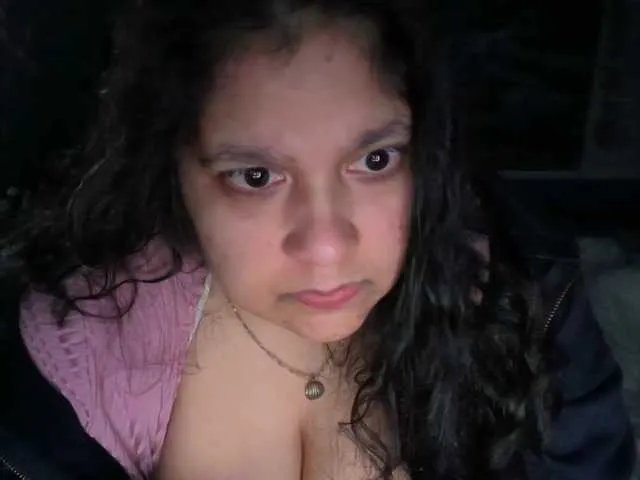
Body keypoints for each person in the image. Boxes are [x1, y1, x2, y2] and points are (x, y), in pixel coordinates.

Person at [0, 1, 635, 479]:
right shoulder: (82, 354)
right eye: (255, 177)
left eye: (376, 160)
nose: (328, 248)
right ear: (172, 166)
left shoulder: (524, 299)